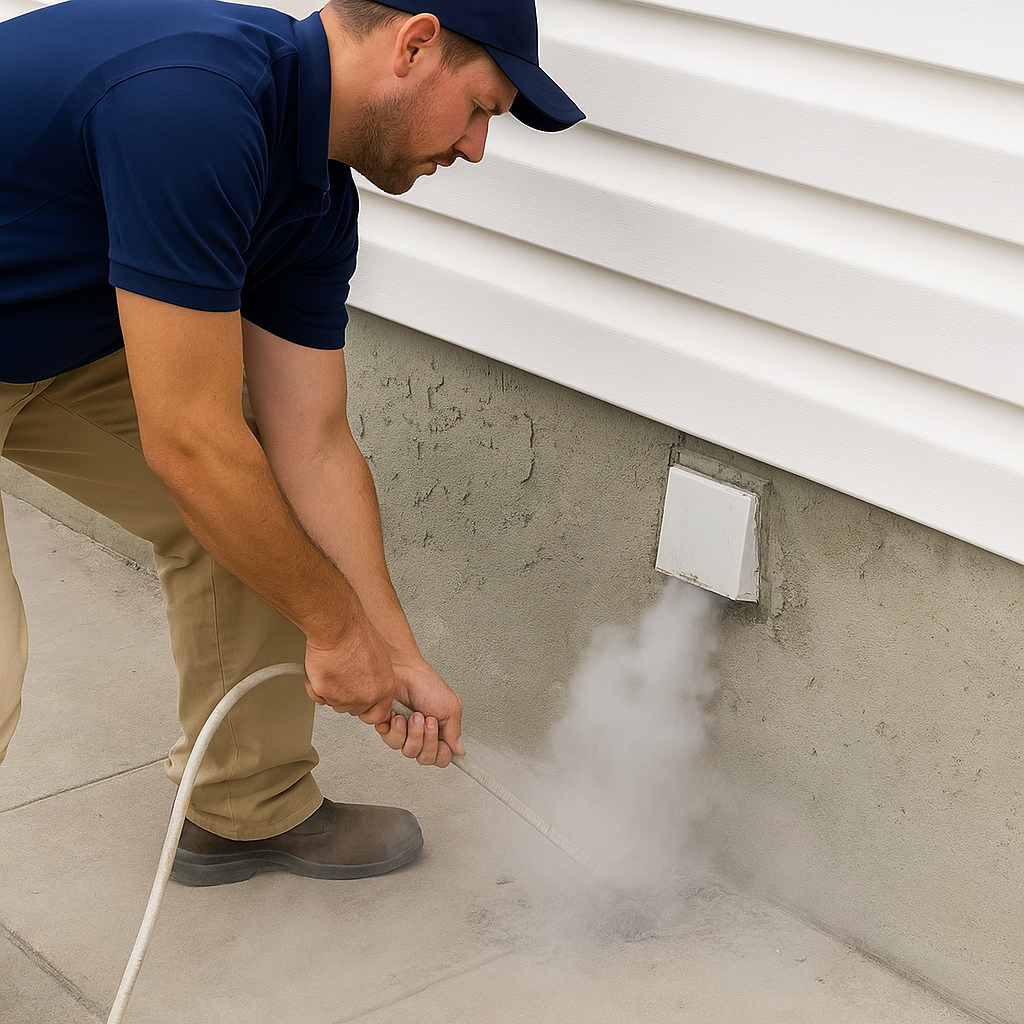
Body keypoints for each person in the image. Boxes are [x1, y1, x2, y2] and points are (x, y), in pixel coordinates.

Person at [0, 0, 583, 886]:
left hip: (39, 344)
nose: (475, 148)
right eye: (480, 108)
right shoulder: (193, 105)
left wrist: (389, 651)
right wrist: (332, 627)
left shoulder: (312, 200)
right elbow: (188, 442)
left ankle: (247, 806)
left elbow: (309, 442)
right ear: (415, 44)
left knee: (261, 523)